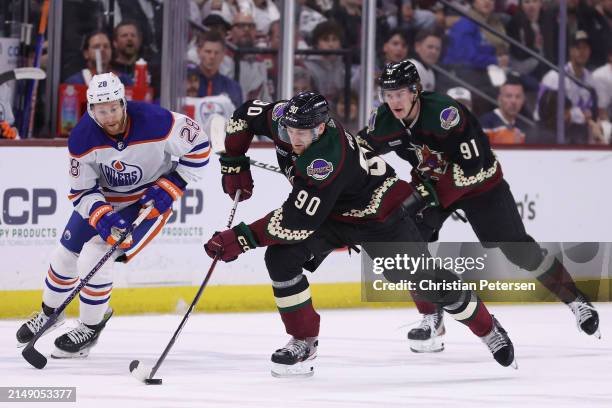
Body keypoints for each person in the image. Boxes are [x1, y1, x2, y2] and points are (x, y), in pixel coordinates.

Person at [203, 91, 517, 378]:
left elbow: (296, 221)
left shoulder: (324, 160)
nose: (295, 139)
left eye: (304, 134)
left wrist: (240, 238)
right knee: (282, 258)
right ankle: (304, 341)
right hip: (331, 214)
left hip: (378, 217)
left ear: (322, 129)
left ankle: (489, 329)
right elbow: (244, 116)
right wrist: (234, 163)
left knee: (424, 280)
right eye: (291, 131)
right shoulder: (282, 118)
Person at [357, 60, 600, 353]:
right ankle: (431, 316)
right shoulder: (383, 119)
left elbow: (470, 167)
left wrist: (422, 194)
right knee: (409, 245)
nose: (394, 100)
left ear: (416, 91)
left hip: (479, 183)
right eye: (388, 94)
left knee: (518, 249)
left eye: (400, 93)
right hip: (431, 185)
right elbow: (358, 151)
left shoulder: (446, 115)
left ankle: (576, 300)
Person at [16, 73, 210, 358]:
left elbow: (200, 146)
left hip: (146, 203)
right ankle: (50, 313)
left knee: (95, 255)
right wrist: (102, 216)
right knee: (64, 254)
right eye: (101, 110)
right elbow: (81, 191)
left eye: (114, 108)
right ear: (91, 110)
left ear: (123, 102)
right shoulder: (82, 137)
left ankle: (91, 327)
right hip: (104, 200)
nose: (109, 116)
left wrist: (172, 185)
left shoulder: (157, 120)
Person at [65, 31, 132, 86]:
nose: (102, 50)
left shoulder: (124, 80)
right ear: (86, 54)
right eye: (96, 47)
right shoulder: (74, 82)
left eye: (106, 46)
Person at [196, 30, 243, 108]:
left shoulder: (233, 87)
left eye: (216, 53)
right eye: (208, 52)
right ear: (199, 52)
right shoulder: (186, 83)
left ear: (223, 55)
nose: (212, 57)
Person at [479, 77, 531, 144]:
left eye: (518, 97)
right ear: (499, 99)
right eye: (508, 96)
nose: (513, 101)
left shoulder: (523, 127)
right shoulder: (484, 124)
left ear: (523, 100)